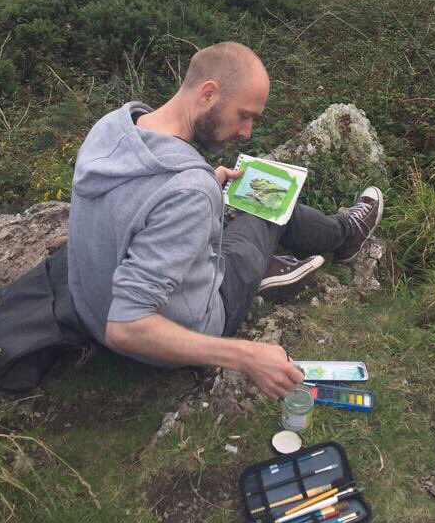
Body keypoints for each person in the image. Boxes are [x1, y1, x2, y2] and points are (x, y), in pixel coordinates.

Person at [67, 42, 384, 400]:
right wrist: (246, 355)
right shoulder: (187, 189)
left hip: (89, 311)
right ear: (208, 93)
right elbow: (125, 328)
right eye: (244, 115)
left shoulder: (113, 128)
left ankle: (276, 262)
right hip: (175, 334)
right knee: (270, 203)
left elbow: (143, 206)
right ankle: (347, 235)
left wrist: (203, 188)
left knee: (242, 201)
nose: (246, 131)